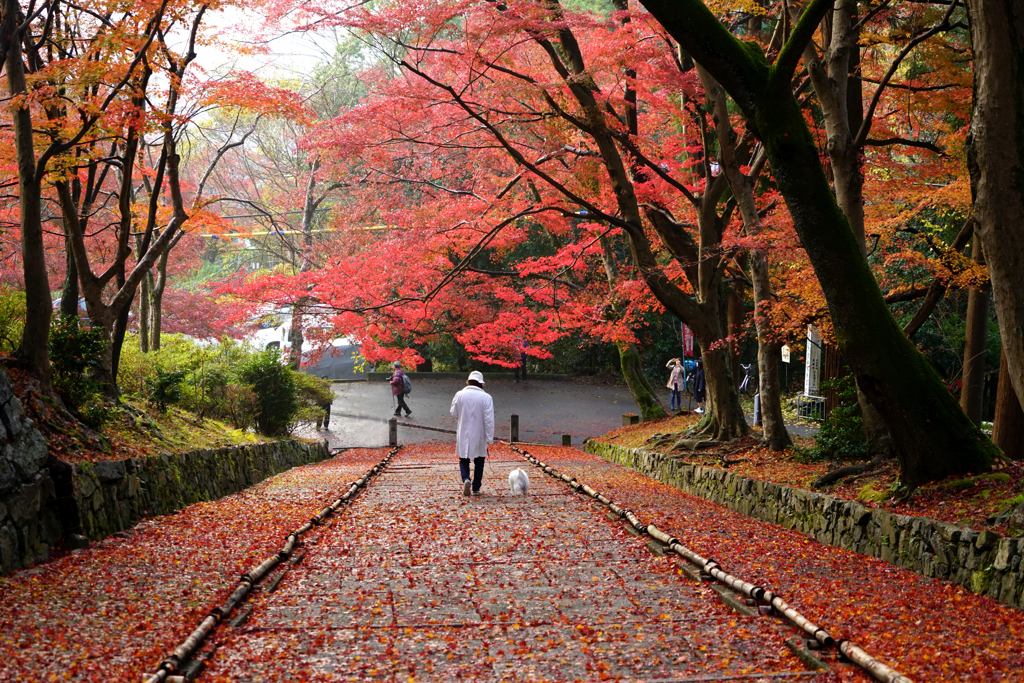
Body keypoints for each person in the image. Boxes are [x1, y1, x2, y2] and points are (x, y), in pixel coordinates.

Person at [450, 370, 494, 496]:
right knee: (479, 460)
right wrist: (490, 437)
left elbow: (453, 412)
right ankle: (476, 487)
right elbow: (489, 419)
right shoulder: (486, 397)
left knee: (464, 458)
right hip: (480, 433)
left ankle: (466, 479)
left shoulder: (459, 395)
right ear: (481, 383)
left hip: (463, 431)